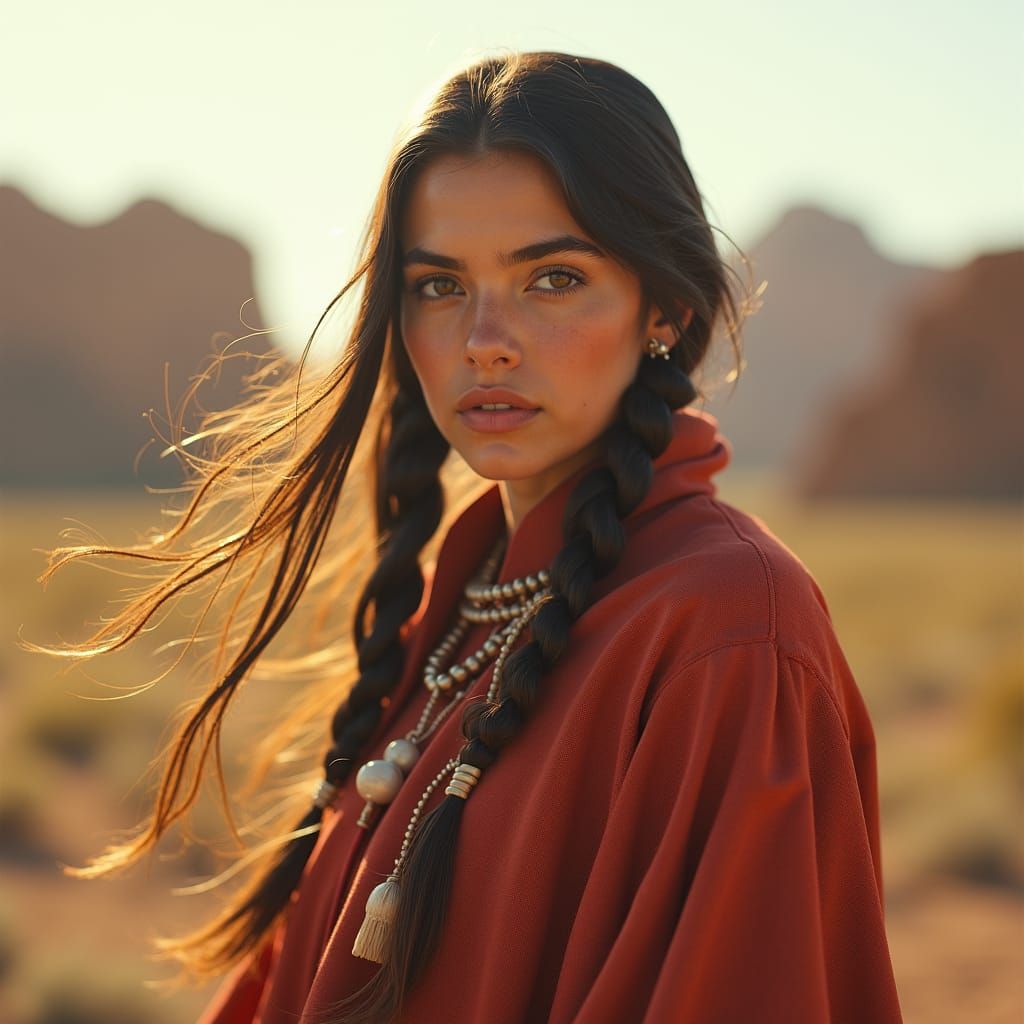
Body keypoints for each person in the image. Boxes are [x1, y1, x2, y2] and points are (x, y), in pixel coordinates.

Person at [31, 51, 904, 1023]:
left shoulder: (729, 632)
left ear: (665, 307)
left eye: (554, 277)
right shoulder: (469, 596)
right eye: (439, 286)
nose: (486, 336)